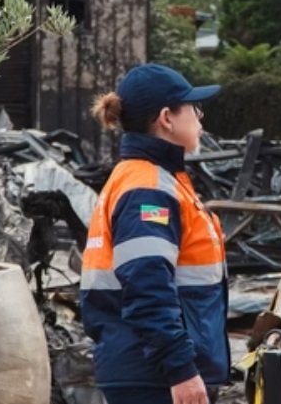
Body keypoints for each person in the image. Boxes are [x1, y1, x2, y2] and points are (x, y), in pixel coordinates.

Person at [80, 64, 229, 404]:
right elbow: (147, 286)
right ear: (167, 117)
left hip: (148, 371)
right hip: (154, 379)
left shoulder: (151, 179)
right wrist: (181, 370)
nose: (200, 119)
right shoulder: (147, 189)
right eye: (194, 108)